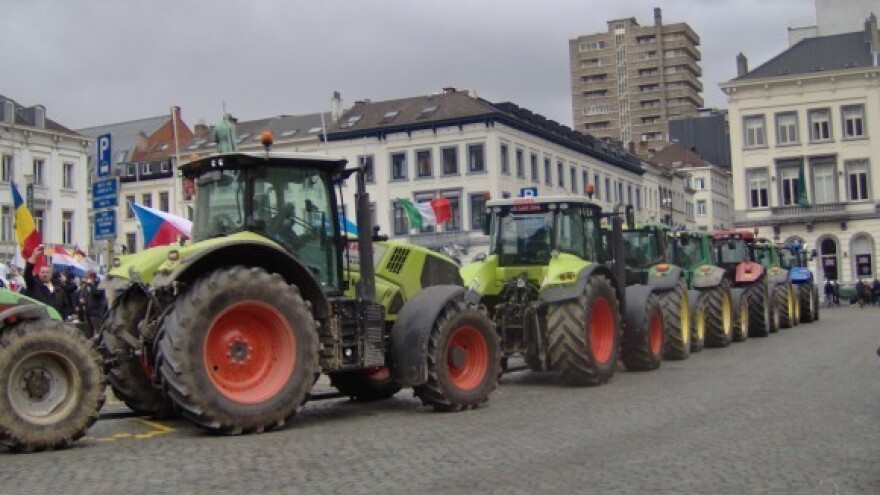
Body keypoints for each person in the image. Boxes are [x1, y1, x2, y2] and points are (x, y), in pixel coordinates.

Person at [24, 246, 72, 318]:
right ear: (39, 273)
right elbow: (27, 275)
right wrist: (33, 257)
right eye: (43, 272)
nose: (45, 274)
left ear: (51, 274)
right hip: (39, 322)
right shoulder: (34, 286)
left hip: (56, 323)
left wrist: (62, 318)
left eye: (47, 272)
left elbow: (65, 307)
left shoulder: (59, 290)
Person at [76, 271, 106, 338]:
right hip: (87, 311)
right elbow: (82, 294)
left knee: (98, 330)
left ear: (93, 277)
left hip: (95, 312)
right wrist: (81, 299)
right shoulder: (85, 286)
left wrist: (92, 285)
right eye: (86, 277)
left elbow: (97, 294)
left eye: (88, 277)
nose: (86, 279)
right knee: (88, 331)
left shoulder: (99, 285)